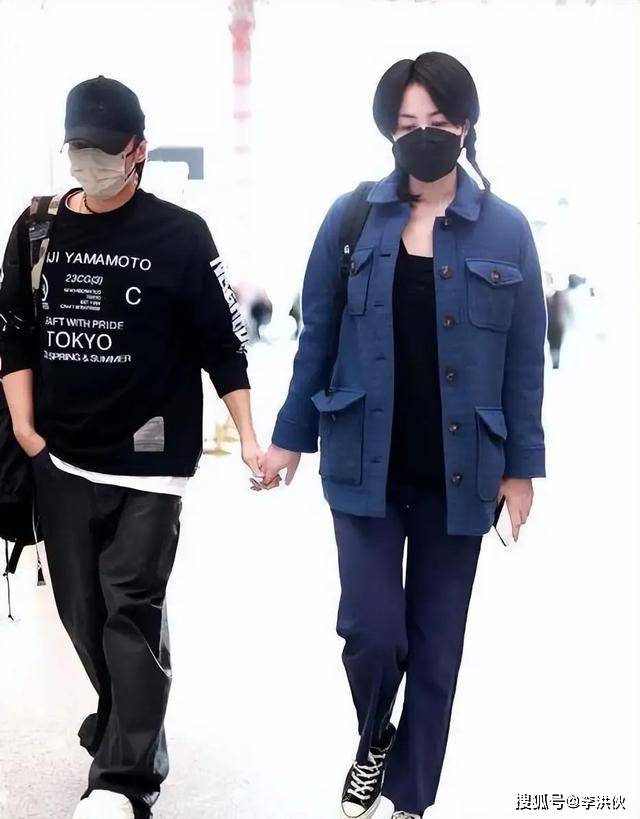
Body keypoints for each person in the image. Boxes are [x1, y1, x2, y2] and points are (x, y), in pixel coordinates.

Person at [261, 52, 547, 819]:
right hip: (365, 464)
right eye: (408, 124)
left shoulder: (508, 230)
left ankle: (409, 800)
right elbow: (317, 338)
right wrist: (289, 438)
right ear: (390, 131)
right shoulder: (350, 218)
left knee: (437, 647)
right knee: (372, 630)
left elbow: (525, 363)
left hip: (464, 471)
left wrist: (522, 469)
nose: (423, 135)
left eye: (439, 122)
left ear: (466, 126)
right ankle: (374, 737)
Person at [0, 76, 262, 819]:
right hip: (60, 455)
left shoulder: (181, 235)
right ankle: (126, 729)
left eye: (104, 149)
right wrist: (26, 430)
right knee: (83, 612)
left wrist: (247, 436)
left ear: (138, 151)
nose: (89, 161)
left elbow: (223, 344)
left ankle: (123, 780)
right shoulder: (37, 228)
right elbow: (12, 331)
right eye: (77, 148)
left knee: (131, 606)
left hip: (152, 460)